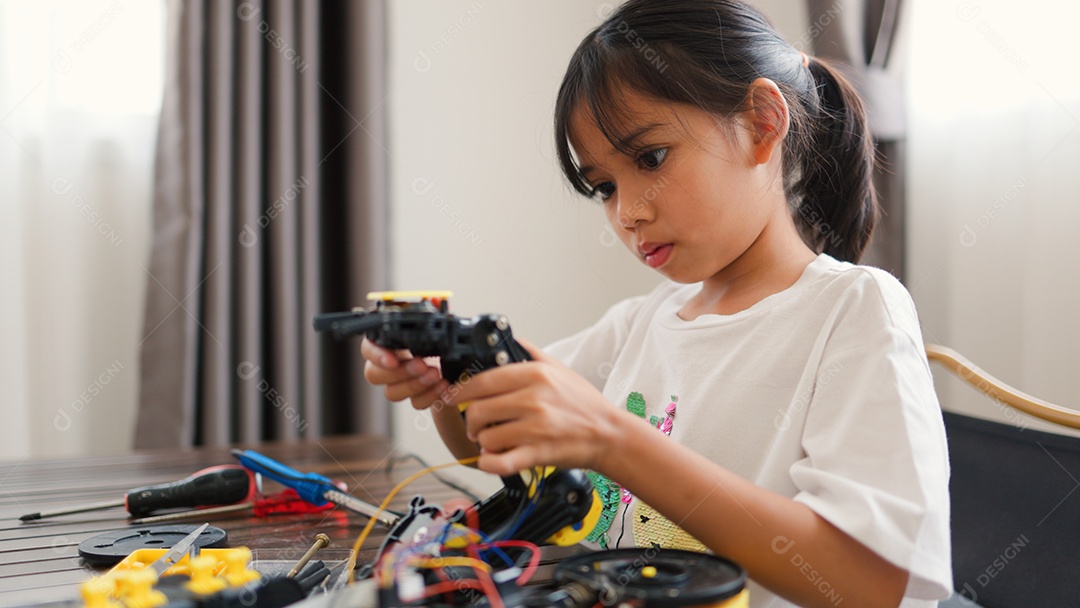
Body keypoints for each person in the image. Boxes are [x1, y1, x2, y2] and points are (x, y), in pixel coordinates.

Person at [362, 1, 952, 606]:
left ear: (762, 123)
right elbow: (495, 445)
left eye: (651, 158)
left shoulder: (854, 311)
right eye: (605, 187)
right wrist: (448, 385)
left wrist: (612, 439)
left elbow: (870, 580)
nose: (628, 213)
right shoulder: (642, 322)